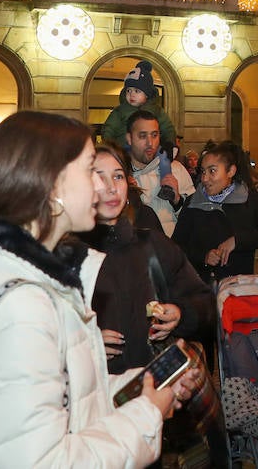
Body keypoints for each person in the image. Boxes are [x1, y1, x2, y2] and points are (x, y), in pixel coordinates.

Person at [0, 110, 202, 465]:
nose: (103, 186)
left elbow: (68, 404)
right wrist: (146, 415)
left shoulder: (37, 272)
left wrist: (143, 386)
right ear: (53, 185)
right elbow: (42, 461)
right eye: (90, 170)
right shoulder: (23, 301)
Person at [80, 142, 215, 375]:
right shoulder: (67, 254)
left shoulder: (153, 244)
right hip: (93, 396)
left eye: (118, 176)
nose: (111, 187)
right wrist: (84, 344)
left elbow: (205, 303)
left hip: (154, 392)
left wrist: (180, 313)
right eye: (98, 177)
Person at [173, 141, 258, 282]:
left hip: (239, 291)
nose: (205, 179)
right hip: (201, 289)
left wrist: (238, 240)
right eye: (203, 171)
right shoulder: (193, 202)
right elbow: (176, 247)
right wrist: (203, 256)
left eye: (212, 171)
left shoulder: (250, 200)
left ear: (231, 171)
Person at [125, 108, 194, 237]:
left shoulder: (176, 169)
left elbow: (195, 220)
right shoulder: (119, 176)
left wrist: (178, 202)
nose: (150, 143)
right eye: (142, 136)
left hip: (172, 252)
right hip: (137, 253)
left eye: (154, 135)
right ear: (129, 138)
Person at [101, 59, 178, 148]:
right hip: (124, 150)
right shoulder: (120, 111)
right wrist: (110, 147)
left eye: (137, 91)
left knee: (163, 157)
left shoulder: (157, 111)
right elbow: (109, 129)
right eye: (129, 90)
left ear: (147, 95)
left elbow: (167, 129)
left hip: (151, 150)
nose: (131, 94)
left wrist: (169, 143)